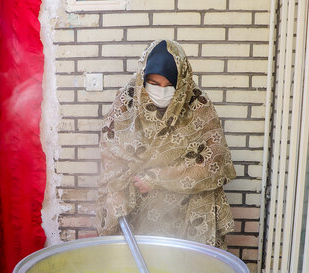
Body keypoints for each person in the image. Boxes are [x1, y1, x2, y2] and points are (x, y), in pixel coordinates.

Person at [96, 39, 236, 249]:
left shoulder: (197, 104)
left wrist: (156, 178)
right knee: (134, 268)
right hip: (135, 207)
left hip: (186, 208)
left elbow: (213, 161)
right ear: (143, 77)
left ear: (181, 83)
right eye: (153, 83)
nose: (161, 91)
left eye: (169, 85)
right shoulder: (127, 102)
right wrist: (117, 188)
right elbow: (110, 149)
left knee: (184, 271)